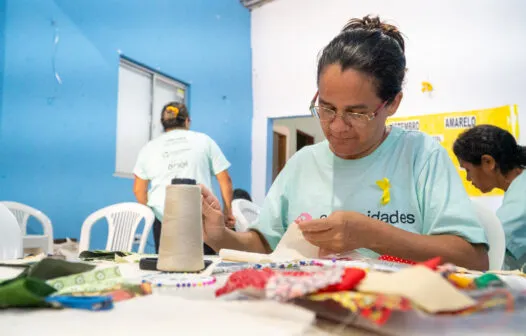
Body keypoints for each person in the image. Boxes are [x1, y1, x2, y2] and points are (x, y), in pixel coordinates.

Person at [200, 15, 489, 270]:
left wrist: (372, 235)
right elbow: (265, 246)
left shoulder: (420, 156)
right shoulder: (304, 163)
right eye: (326, 108)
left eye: (357, 112)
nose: (337, 126)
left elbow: (474, 259)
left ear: (393, 103)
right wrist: (220, 236)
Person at [133, 102, 235, 254]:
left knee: (167, 267)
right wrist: (227, 213)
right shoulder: (204, 141)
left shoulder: (149, 148)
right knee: (205, 266)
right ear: (187, 121)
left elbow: (138, 190)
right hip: (201, 218)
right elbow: (225, 180)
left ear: (163, 124)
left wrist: (154, 213)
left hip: (165, 219)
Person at [453, 125, 526, 270]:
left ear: (488, 162)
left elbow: (490, 246)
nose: (468, 178)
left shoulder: (520, 201)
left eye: (468, 170)